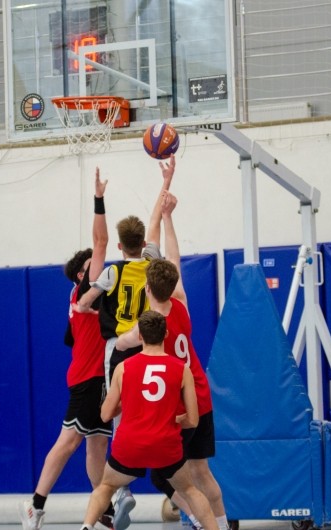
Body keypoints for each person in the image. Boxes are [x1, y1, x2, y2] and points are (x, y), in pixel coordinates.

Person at [115, 194, 232, 530]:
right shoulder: (180, 302)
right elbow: (174, 259)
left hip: (179, 406)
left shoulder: (148, 326)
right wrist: (168, 217)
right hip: (201, 396)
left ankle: (197, 519)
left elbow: (122, 342)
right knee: (202, 472)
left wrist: (118, 339)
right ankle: (221, 524)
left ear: (147, 289)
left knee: (163, 476)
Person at [75, 155, 176, 530]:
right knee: (156, 409)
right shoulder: (152, 264)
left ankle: (122, 487)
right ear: (143, 244)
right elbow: (155, 224)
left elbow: (84, 302)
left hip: (118, 348)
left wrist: (87, 306)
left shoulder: (112, 272)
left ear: (119, 246)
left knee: (117, 415)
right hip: (149, 343)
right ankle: (167, 486)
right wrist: (165, 184)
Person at [19, 169, 115, 530]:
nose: (100, 264)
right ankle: (35, 505)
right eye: (93, 264)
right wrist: (99, 199)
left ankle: (103, 507)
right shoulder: (85, 289)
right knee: (69, 441)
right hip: (88, 379)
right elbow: (101, 240)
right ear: (81, 274)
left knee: (96, 446)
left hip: (97, 378)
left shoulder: (89, 298)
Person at [79, 311, 218, 530]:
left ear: (139, 336)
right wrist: (172, 420)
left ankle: (87, 526)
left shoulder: (123, 368)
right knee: (190, 490)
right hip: (166, 445)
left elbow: (105, 415)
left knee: (105, 486)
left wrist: (127, 403)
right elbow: (192, 420)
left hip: (129, 444)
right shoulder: (182, 370)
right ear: (166, 334)